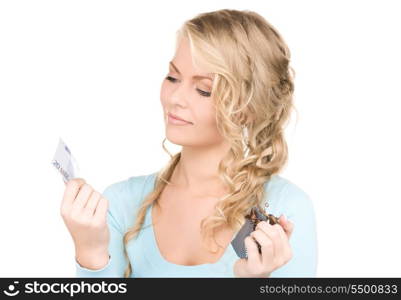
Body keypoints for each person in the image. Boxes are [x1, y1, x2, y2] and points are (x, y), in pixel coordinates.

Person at [60, 8, 318, 278]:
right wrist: (90, 251)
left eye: (203, 89)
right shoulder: (122, 202)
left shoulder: (287, 208)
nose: (175, 98)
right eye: (172, 77)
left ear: (247, 109)